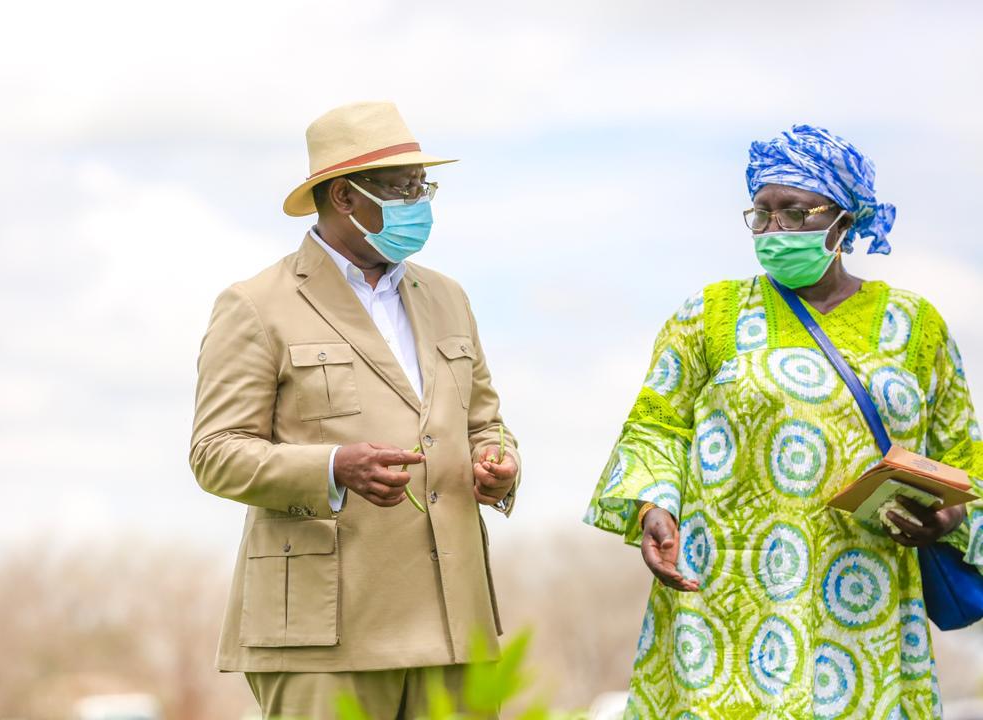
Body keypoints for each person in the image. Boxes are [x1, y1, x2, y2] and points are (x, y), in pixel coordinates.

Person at [584, 124, 983, 718]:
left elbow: (963, 456)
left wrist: (950, 515)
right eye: (761, 214)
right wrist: (653, 507)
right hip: (726, 600)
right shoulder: (710, 314)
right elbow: (655, 427)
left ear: (844, 220)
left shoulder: (914, 325)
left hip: (864, 603)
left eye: (794, 213)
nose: (773, 230)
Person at [190, 101, 520, 719]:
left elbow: (485, 423)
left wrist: (498, 464)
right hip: (325, 632)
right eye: (402, 188)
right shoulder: (256, 304)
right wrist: (334, 466)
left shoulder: (448, 297)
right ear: (344, 196)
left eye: (424, 187)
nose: (420, 203)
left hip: (456, 626)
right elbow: (215, 454)